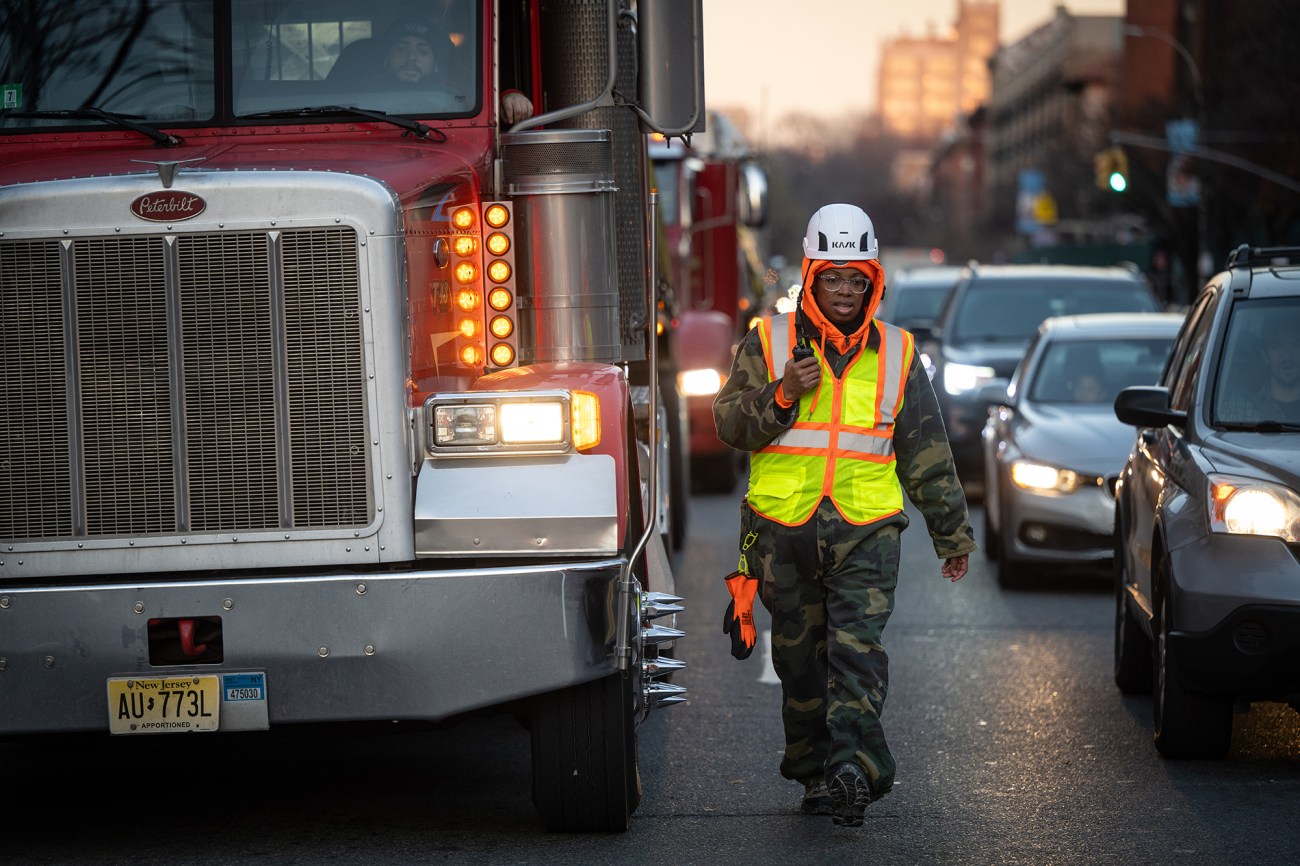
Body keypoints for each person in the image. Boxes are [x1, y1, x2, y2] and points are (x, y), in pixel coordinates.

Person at [713, 203, 975, 828]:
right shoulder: (769, 343)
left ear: (873, 280)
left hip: (866, 531)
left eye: (857, 279)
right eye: (833, 278)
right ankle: (814, 775)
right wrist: (781, 395)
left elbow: (927, 451)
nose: (845, 291)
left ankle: (854, 770)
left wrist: (951, 533)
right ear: (811, 275)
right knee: (801, 665)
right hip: (782, 533)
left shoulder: (899, 353)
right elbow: (728, 424)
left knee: (857, 656)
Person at [375, 15, 534, 124]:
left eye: (423, 51)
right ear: (386, 58)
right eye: (401, 49)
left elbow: (486, 116)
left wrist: (509, 99)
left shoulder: (459, 93)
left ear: (436, 64)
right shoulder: (358, 93)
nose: (411, 57)